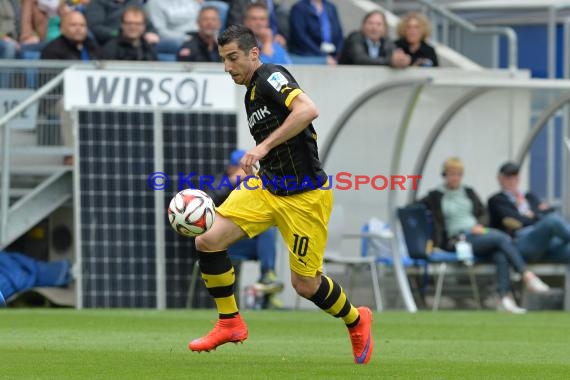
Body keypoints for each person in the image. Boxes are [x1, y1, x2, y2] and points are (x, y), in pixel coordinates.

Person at [187, 24, 374, 364]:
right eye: (223, 60)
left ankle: (356, 319)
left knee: (305, 285)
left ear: (253, 54)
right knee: (207, 240)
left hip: (305, 197)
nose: (228, 67)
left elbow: (307, 110)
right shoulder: (250, 94)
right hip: (268, 187)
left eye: (233, 58)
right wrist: (266, 157)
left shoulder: (271, 76)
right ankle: (230, 322)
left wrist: (262, 147)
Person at [419, 157, 549, 313]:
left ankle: (503, 298)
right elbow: (414, 211)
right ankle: (526, 275)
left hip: (476, 234)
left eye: (458, 174)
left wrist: (479, 225)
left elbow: (483, 213)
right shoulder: (435, 196)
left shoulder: (468, 192)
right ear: (444, 174)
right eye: (451, 174)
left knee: (500, 254)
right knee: (500, 238)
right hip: (456, 240)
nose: (455, 177)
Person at [205, 149, 284, 309]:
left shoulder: (255, 184)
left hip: (250, 243)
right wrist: (232, 181)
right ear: (231, 168)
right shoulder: (221, 181)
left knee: (268, 229)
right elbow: (208, 202)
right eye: (241, 168)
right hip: (224, 243)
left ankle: (267, 280)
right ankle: (267, 283)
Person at [488, 162, 570, 264]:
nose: (512, 180)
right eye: (508, 177)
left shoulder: (528, 196)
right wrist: (537, 215)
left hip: (544, 243)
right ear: (500, 178)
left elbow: (549, 210)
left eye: (515, 176)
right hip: (521, 243)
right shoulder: (497, 200)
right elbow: (516, 222)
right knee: (552, 221)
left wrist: (532, 215)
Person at [338, 10, 410, 67]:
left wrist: (403, 60)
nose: (374, 28)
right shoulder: (355, 37)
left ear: (385, 28)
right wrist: (390, 61)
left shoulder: (387, 42)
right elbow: (361, 59)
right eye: (370, 23)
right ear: (363, 25)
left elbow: (394, 57)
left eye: (379, 24)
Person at [0, 250, 73, 304]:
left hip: (26, 271)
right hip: (28, 276)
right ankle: (67, 272)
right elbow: (19, 280)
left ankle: (68, 272)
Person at [288, 0, 343, 65]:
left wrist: (338, 52)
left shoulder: (331, 7)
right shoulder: (299, 8)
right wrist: (322, 55)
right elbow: (301, 37)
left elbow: (339, 33)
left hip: (331, 52)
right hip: (307, 54)